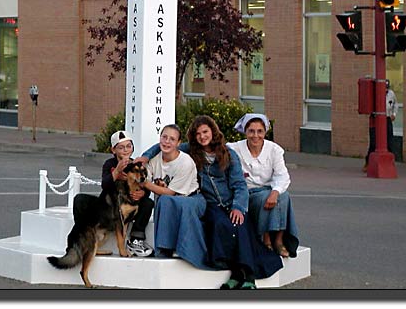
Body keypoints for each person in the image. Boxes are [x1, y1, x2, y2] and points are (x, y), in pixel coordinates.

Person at [141, 115, 283, 289]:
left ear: (213, 132)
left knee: (239, 225)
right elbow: (164, 145)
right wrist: (146, 157)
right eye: (198, 133)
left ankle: (246, 277)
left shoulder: (228, 153)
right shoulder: (191, 151)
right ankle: (235, 272)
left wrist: (238, 207)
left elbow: (239, 184)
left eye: (205, 132)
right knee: (221, 224)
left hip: (231, 202)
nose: (202, 136)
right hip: (210, 204)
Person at [228, 113, 299, 258]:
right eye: (251, 131)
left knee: (283, 195)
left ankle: (278, 240)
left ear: (265, 132)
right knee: (265, 197)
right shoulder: (234, 149)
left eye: (259, 131)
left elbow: (282, 175)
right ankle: (266, 238)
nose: (255, 136)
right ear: (245, 131)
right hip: (249, 193)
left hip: (269, 189)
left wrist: (275, 192)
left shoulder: (274, 150)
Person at [141, 124, 207, 267]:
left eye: (172, 139)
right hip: (169, 201)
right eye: (164, 137)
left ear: (178, 143)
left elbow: (171, 192)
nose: (167, 142)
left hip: (192, 198)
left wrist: (145, 184)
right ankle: (163, 250)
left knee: (165, 200)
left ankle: (172, 250)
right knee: (164, 201)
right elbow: (143, 176)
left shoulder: (185, 162)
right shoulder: (154, 160)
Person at [100, 130, 154, 257]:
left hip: (131, 205)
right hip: (113, 205)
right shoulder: (109, 164)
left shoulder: (136, 164)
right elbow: (105, 185)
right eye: (121, 147)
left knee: (148, 203)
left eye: (129, 146)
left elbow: (143, 182)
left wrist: (142, 193)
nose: (125, 150)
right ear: (113, 150)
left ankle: (136, 237)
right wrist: (117, 171)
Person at [363, 80, 399, 172]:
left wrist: (394, 114)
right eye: (384, 89)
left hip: (387, 118)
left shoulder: (391, 94)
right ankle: (368, 162)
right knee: (373, 142)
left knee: (390, 140)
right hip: (376, 118)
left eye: (387, 88)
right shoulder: (375, 94)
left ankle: (390, 162)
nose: (386, 91)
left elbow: (395, 104)